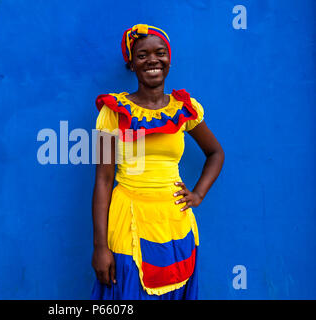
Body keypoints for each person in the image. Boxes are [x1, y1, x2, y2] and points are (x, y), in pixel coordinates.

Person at [91, 24, 225, 300]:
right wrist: (100, 247)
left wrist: (198, 193)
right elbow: (103, 180)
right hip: (128, 221)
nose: (153, 60)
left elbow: (215, 153)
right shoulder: (113, 112)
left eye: (160, 53)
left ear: (169, 59)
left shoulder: (184, 109)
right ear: (131, 65)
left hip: (175, 223)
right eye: (142, 55)